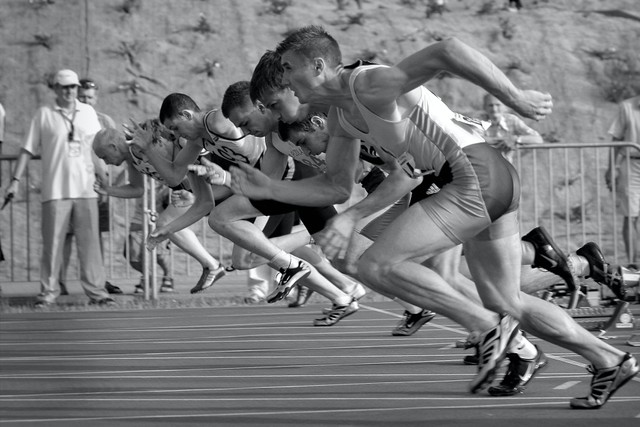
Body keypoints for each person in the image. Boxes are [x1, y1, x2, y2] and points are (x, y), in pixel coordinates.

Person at [230, 26, 637, 408]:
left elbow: (448, 50)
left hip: (471, 173)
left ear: (317, 67)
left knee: (374, 264)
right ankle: (608, 359)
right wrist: (270, 189)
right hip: (481, 176)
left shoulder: (366, 83)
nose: (279, 107)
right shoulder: (340, 116)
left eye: (286, 73)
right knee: (505, 298)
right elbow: (334, 186)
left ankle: (485, 326)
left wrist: (517, 99)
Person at [148, 89, 365, 326]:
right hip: (275, 183)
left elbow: (244, 99)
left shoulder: (218, 121)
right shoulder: (197, 144)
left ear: (188, 114)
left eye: (176, 128)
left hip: (288, 178)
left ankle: (341, 281)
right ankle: (342, 290)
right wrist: (168, 229)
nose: (247, 129)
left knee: (251, 253)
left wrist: (228, 178)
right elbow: (199, 197)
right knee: (242, 237)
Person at [4, 69, 115, 307]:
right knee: (52, 246)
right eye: (64, 87)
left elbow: (98, 147)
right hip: (55, 191)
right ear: (55, 88)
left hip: (86, 190)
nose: (70, 91)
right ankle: (48, 293)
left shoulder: (87, 112)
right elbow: (27, 149)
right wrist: (15, 180)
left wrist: (105, 178)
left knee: (90, 245)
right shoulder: (43, 114)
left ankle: (97, 293)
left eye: (73, 87)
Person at [93, 124, 227, 295]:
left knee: (166, 222)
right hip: (190, 190)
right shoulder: (132, 157)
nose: (106, 163)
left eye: (104, 157)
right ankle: (213, 266)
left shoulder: (139, 147)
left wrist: (191, 186)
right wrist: (109, 190)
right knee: (243, 257)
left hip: (203, 180)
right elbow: (137, 189)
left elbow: (180, 153)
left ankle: (213, 265)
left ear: (113, 147)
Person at [58, 77, 122, 296]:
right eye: (82, 96)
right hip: (71, 184)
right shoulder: (67, 118)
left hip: (97, 185)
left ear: (96, 98)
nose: (86, 100)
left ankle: (100, 280)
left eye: (90, 97)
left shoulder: (106, 121)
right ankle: (58, 281)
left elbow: (116, 152)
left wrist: (107, 183)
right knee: (65, 234)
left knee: (97, 235)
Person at [606, 95, 640, 269]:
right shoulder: (627, 107)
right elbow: (616, 141)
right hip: (631, 163)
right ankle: (634, 263)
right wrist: (611, 167)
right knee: (631, 215)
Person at [481, 93, 543, 164]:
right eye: (490, 105)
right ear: (484, 107)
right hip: (483, 167)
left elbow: (538, 139)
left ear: (505, 107)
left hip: (506, 167)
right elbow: (474, 138)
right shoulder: (478, 119)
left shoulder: (512, 120)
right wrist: (503, 141)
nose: (494, 109)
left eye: (498, 105)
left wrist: (515, 139)